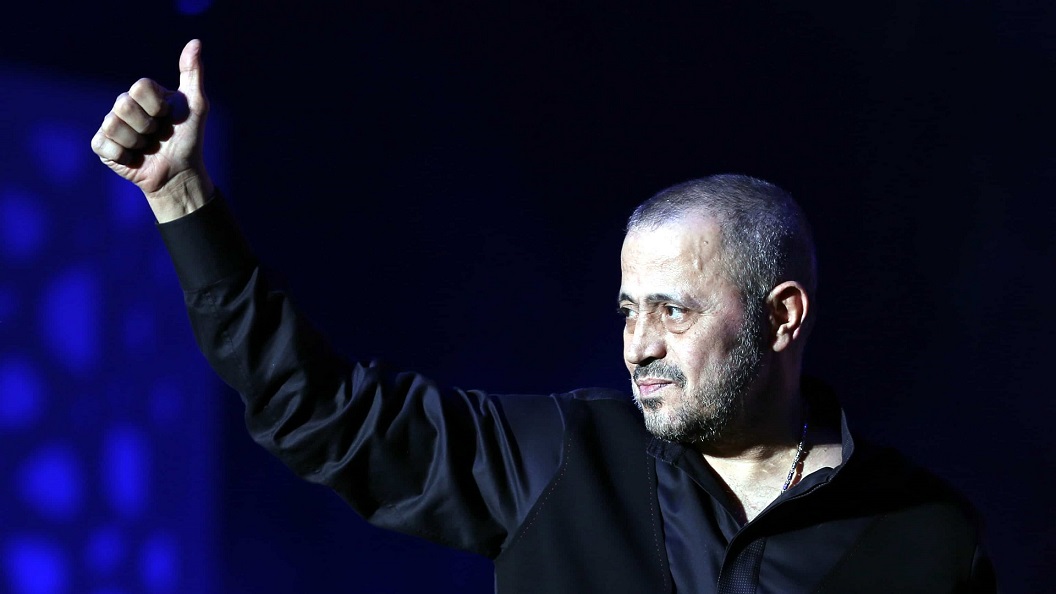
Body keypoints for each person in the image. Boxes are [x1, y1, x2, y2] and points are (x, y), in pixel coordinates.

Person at [91, 40, 997, 593]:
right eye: (628, 310)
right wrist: (182, 201)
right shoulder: (560, 457)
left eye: (672, 310)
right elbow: (319, 412)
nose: (638, 345)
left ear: (783, 317)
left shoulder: (926, 537)